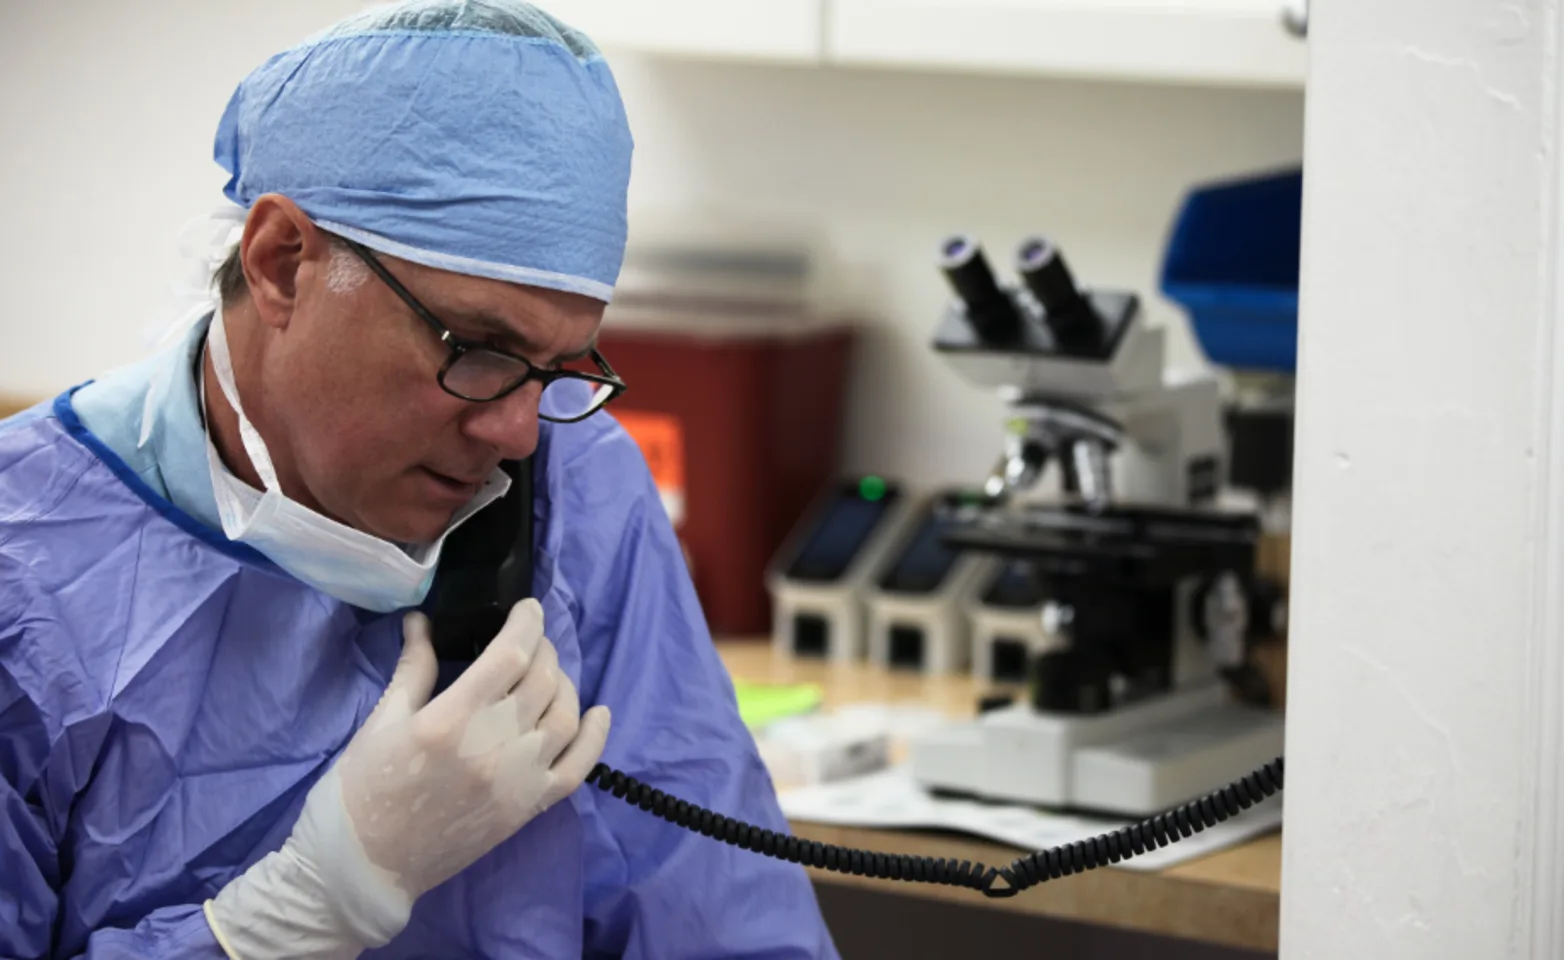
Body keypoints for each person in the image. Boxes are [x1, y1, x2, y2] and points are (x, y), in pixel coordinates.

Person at [0, 3, 840, 958]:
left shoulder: (575, 490)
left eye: (561, 366)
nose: (518, 430)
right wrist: (303, 910)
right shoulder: (26, 574)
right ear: (282, 263)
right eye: (479, 348)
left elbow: (719, 919)